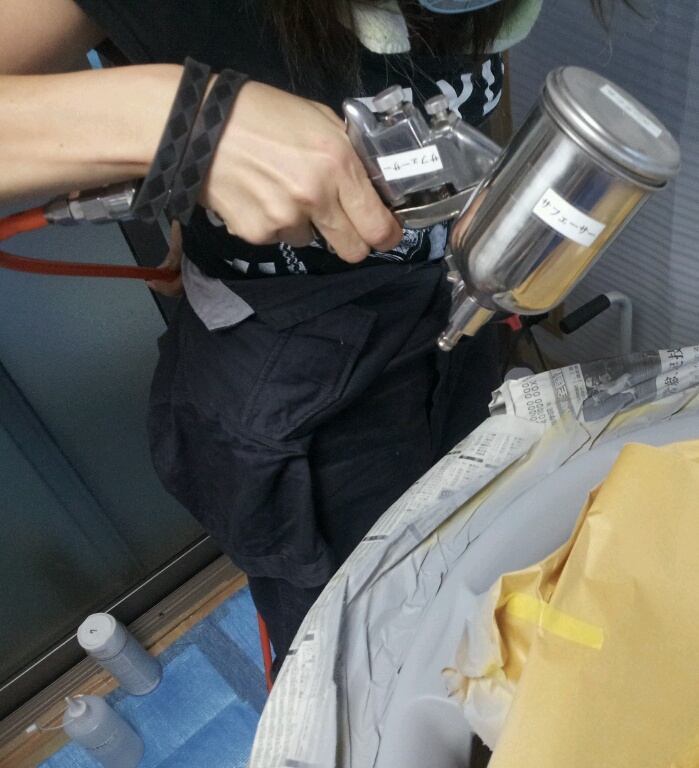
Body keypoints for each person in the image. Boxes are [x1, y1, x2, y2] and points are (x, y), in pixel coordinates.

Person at [0, 0, 618, 668]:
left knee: (472, 547)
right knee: (358, 645)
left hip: (443, 312)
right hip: (298, 372)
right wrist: (183, 122)